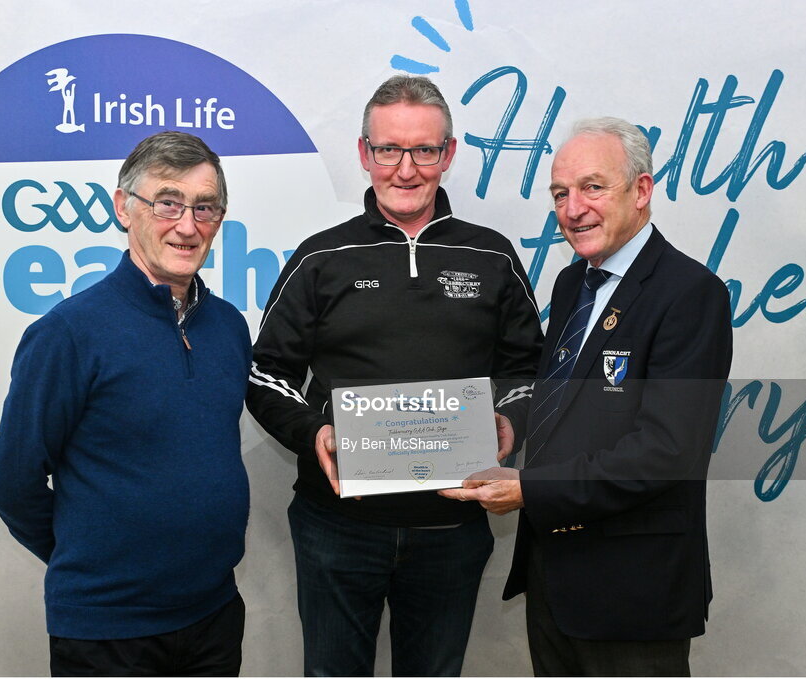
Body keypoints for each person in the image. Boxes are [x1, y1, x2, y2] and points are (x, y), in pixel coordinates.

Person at [246, 75, 542, 676]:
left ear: (448, 155)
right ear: (364, 154)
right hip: (337, 529)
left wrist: (510, 422)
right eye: (388, 150)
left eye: (424, 151)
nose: (405, 170)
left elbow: (528, 369)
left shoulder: (493, 256)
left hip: (452, 529)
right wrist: (316, 434)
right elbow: (264, 374)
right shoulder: (318, 259)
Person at [443, 117, 733, 676]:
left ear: (642, 190)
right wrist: (506, 427)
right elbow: (567, 412)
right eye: (560, 193)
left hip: (632, 593)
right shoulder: (571, 283)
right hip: (555, 578)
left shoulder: (690, 295)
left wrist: (530, 489)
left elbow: (668, 452)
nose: (573, 209)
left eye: (593, 188)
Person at [0, 131, 251, 677]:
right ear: (123, 208)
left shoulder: (228, 327)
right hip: (108, 631)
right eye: (168, 202)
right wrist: (90, 556)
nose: (187, 224)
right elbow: (12, 480)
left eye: (205, 208)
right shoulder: (68, 333)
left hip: (215, 615)